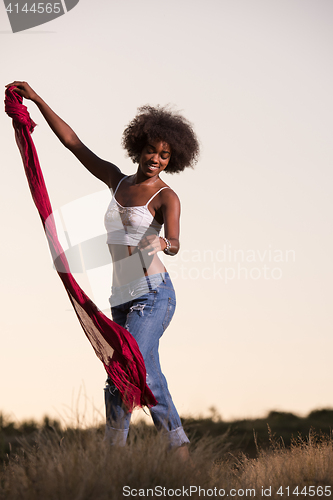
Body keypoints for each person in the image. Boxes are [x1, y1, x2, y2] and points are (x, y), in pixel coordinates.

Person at [6, 81, 200, 455]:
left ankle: (113, 456)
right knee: (146, 374)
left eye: (164, 155)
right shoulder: (117, 181)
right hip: (121, 297)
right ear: (138, 148)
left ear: (171, 159)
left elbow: (175, 243)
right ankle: (180, 448)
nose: (155, 159)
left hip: (153, 293)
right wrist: (37, 99)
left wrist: (161, 242)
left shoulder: (167, 197)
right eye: (150, 150)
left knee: (123, 372)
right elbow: (74, 144)